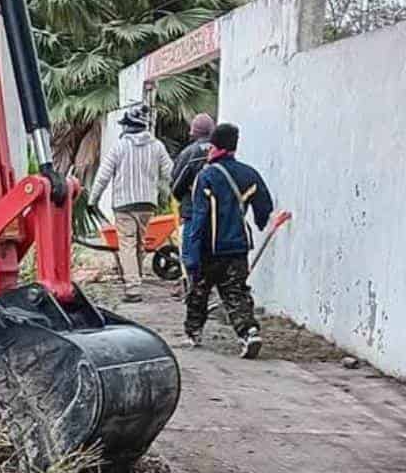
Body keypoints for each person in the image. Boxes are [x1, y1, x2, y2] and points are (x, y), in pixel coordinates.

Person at [181, 121, 274, 358]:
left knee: (199, 292)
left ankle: (193, 333)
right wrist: (262, 222)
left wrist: (191, 254)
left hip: (209, 249)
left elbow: (199, 217)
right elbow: (264, 206)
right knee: (237, 293)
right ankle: (249, 332)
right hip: (238, 247)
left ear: (215, 147)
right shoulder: (249, 174)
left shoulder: (207, 176)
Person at [89, 103, 173, 302]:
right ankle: (136, 278)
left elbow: (103, 175)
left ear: (127, 126)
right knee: (140, 242)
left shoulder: (119, 147)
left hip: (124, 204)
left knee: (127, 243)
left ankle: (133, 288)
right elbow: (170, 172)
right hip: (147, 204)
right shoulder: (157, 146)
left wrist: (93, 200)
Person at [169, 113, 215, 299]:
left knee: (191, 250)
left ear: (193, 132)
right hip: (216, 214)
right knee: (211, 251)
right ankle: (209, 287)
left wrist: (182, 199)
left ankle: (194, 288)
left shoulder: (189, 153)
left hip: (192, 210)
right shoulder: (219, 150)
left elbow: (176, 183)